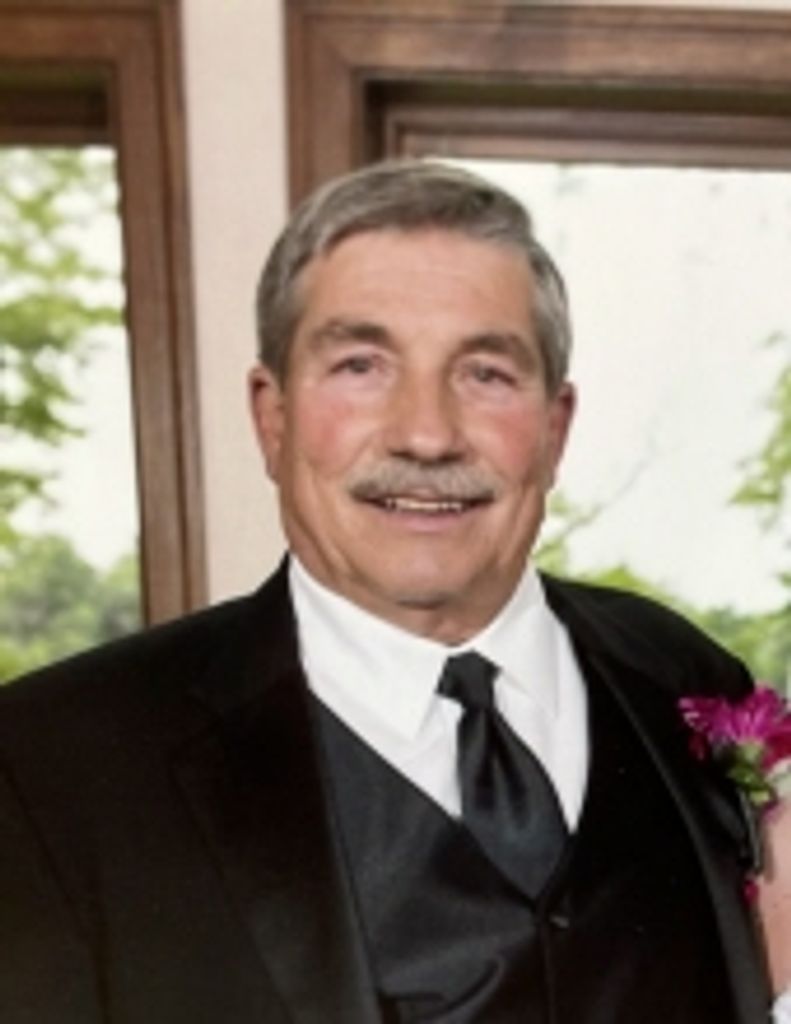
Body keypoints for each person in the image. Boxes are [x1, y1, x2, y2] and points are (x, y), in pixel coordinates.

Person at [0, 159, 776, 1022]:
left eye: (485, 373)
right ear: (271, 417)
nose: (426, 435)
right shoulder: (48, 766)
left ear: (554, 429)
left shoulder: (680, 675)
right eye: (361, 366)